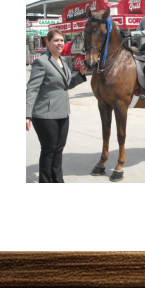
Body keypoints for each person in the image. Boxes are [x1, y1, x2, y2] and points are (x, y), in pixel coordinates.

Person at [26, 29, 88, 183]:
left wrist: (80, 75)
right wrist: (27, 114)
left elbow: (66, 84)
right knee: (48, 150)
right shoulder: (41, 62)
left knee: (59, 149)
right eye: (56, 40)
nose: (60, 43)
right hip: (45, 114)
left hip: (62, 112)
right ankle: (45, 182)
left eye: (62, 40)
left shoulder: (64, 61)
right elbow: (32, 88)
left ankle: (58, 180)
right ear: (48, 43)